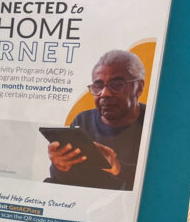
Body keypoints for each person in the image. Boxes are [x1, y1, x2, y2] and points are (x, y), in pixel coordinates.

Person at [47, 50, 146, 190]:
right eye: (98, 86)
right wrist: (61, 166)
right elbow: (62, 182)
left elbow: (162, 176)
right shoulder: (82, 121)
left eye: (117, 85)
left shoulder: (153, 124)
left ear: (139, 88)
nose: (105, 93)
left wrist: (118, 168)